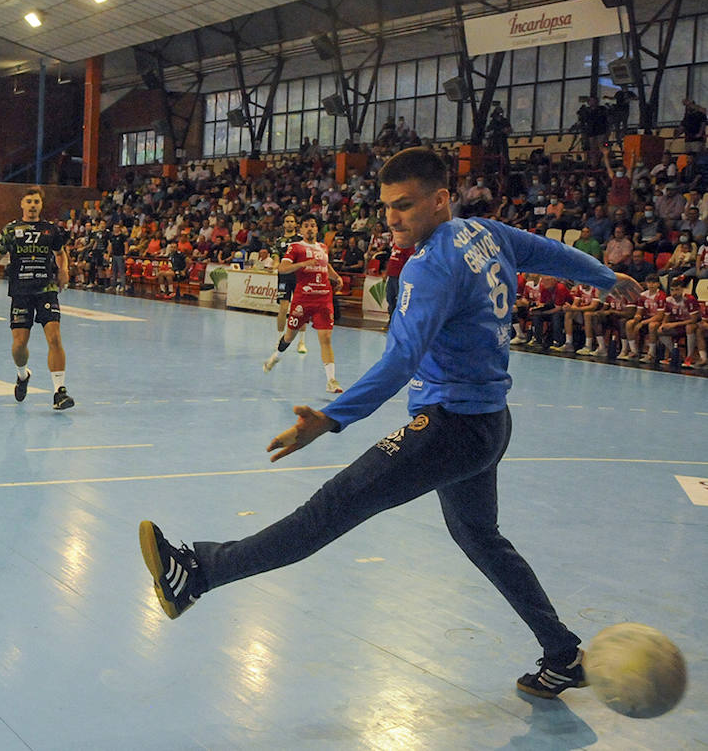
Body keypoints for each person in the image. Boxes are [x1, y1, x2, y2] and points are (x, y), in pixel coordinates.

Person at [139, 147, 641, 700]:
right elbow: (542, 251)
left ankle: (200, 573)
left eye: (404, 206)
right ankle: (564, 654)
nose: (392, 219)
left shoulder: (431, 266)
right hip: (487, 423)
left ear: (441, 199)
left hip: (448, 427)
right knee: (480, 536)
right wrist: (601, 276)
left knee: (332, 507)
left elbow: (400, 360)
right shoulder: (484, 233)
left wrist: (331, 417)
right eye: (386, 208)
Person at [0, 186, 75, 410]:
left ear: (41, 205)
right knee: (19, 345)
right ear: (22, 204)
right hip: (21, 292)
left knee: (54, 337)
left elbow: (61, 253)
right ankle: (22, 375)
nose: (33, 205)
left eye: (37, 202)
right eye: (29, 201)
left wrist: (64, 270)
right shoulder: (11, 230)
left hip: (46, 289)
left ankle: (59, 392)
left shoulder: (50, 230)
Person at [263, 216, 345, 393]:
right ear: (301, 230)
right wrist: (303, 264)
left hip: (323, 299)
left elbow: (326, 265)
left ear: (317, 229)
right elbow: (282, 269)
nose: (310, 228)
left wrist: (336, 277)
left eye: (313, 226)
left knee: (326, 339)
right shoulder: (295, 247)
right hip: (303, 300)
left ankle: (331, 380)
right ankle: (276, 356)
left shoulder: (323, 247)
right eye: (307, 226)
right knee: (288, 337)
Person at [272, 214, 308, 354]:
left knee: (301, 309)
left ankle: (302, 342)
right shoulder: (279, 241)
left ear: (295, 224)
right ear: (283, 224)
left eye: (292, 221)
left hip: (299, 276)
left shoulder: (300, 240)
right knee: (283, 307)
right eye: (287, 221)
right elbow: (276, 257)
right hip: (284, 277)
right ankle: (279, 339)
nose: (289, 224)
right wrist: (275, 264)